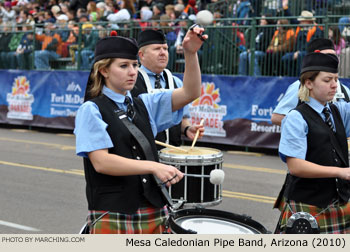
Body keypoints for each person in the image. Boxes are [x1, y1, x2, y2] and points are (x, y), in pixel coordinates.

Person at [74, 26, 207, 234]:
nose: (132, 71)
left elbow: (191, 92)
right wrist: (153, 167)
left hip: (153, 207)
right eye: (124, 66)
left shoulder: (145, 103)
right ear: (104, 70)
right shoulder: (91, 109)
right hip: (114, 211)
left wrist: (191, 53)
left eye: (135, 65)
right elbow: (101, 162)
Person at [274, 52, 350, 234]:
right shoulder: (295, 118)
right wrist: (340, 172)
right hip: (308, 205)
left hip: (340, 202)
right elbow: (296, 166)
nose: (334, 85)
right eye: (327, 80)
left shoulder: (337, 110)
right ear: (308, 83)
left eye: (336, 79)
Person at [131, 29, 204, 148]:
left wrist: (187, 129)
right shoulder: (131, 81)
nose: (162, 53)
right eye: (156, 49)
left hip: (172, 156)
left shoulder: (176, 82)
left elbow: (182, 117)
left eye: (165, 49)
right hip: (144, 158)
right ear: (141, 55)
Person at [271, 38, 350, 126]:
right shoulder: (301, 86)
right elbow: (277, 117)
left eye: (334, 56)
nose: (331, 60)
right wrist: (310, 128)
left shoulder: (344, 90)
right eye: (326, 56)